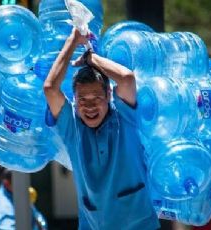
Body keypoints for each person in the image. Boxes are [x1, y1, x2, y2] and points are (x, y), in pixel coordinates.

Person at [43, 28, 160, 229]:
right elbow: (50, 88)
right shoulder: (71, 126)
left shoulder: (124, 116)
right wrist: (72, 41)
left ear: (108, 95)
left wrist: (91, 58)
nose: (89, 107)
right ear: (75, 100)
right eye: (82, 100)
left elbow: (126, 78)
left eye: (96, 98)